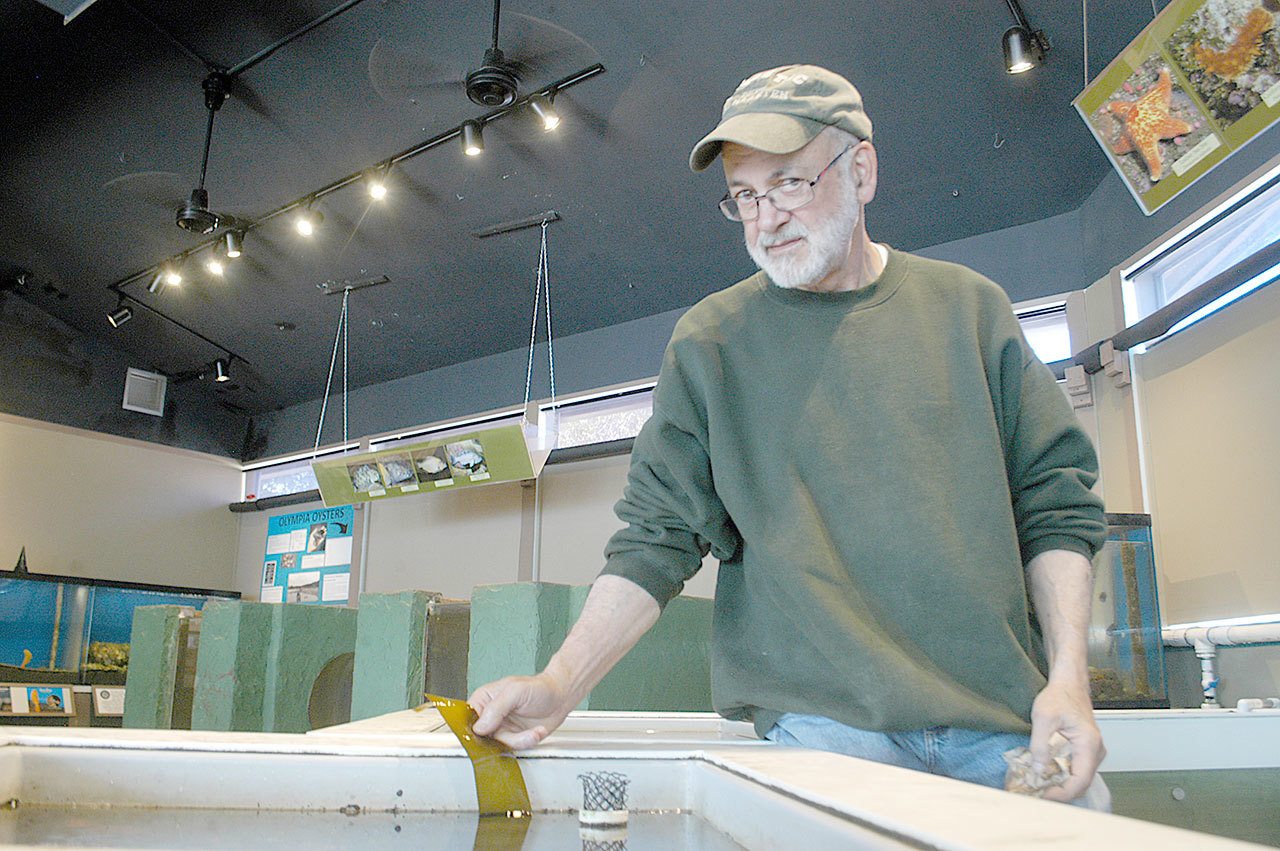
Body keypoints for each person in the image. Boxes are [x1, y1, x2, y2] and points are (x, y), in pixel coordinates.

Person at [471, 65, 1109, 807]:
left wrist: (1068, 684)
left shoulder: (971, 310)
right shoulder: (710, 345)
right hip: (828, 729)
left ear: (861, 170)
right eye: (745, 195)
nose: (765, 218)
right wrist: (558, 684)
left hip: (1001, 723)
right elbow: (654, 539)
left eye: (789, 185)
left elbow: (1055, 504)